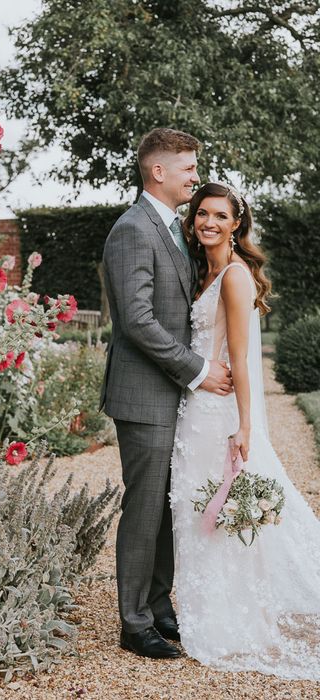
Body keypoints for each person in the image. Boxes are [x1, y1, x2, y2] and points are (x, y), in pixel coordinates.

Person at [170, 182, 320, 679]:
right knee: (198, 512)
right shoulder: (203, 270)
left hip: (219, 413)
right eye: (201, 215)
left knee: (220, 512)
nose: (208, 222)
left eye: (219, 216)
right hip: (195, 408)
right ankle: (210, 612)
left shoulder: (233, 276)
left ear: (237, 224)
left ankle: (231, 621)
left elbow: (241, 356)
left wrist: (245, 426)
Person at [100, 128, 233, 659]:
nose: (195, 177)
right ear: (159, 172)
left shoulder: (173, 228)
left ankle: (158, 606)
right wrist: (198, 370)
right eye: (188, 168)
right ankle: (134, 623)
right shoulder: (133, 229)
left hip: (170, 394)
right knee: (145, 507)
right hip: (143, 395)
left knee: (166, 507)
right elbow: (136, 321)